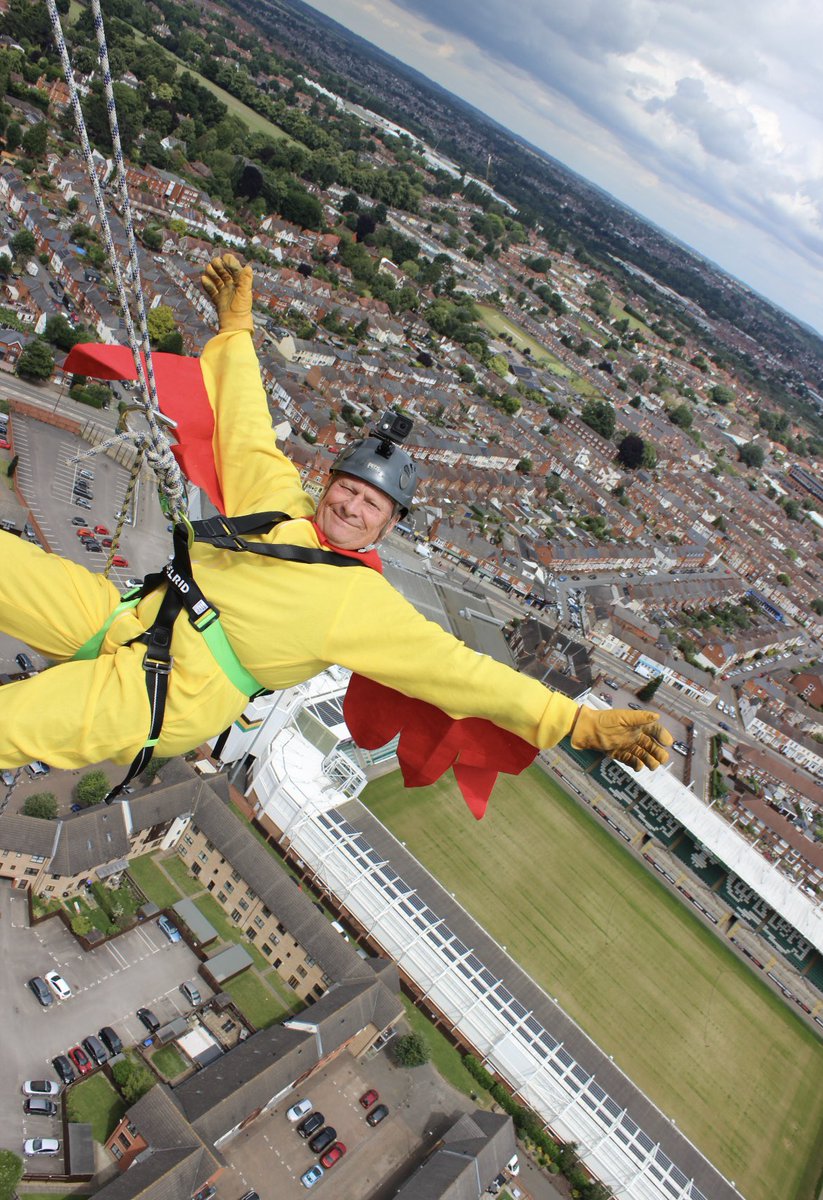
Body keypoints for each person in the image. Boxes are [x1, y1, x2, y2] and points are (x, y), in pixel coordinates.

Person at [0, 255, 672, 791]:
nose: (350, 506)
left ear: (386, 528)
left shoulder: (362, 605)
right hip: (131, 617)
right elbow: (245, 428)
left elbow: (468, 675)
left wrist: (575, 724)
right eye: (347, 490)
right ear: (329, 486)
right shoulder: (281, 506)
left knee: (9, 724)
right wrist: (235, 335)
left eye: (369, 505)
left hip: (169, 692)